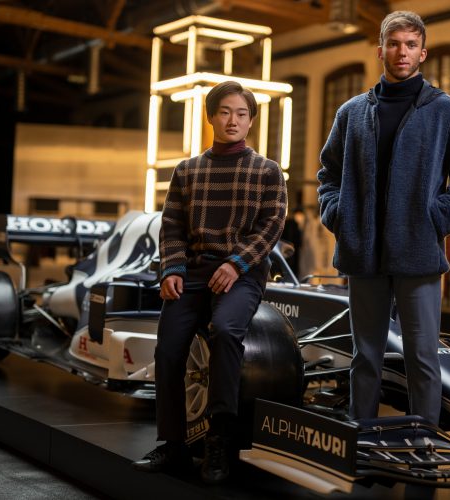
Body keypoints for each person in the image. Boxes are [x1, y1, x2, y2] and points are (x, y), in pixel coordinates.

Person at [317, 11, 450, 425]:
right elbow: (328, 174)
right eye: (394, 43)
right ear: (380, 50)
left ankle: (424, 440)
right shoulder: (351, 113)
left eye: (411, 45)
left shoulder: (446, 111)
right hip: (363, 255)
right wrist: (340, 215)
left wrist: (437, 218)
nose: (402, 52)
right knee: (365, 356)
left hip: (418, 253)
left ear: (422, 53)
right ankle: (361, 434)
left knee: (422, 356)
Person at [132, 81, 287, 483]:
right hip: (193, 272)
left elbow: (272, 226)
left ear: (251, 121)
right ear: (212, 117)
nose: (233, 120)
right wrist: (171, 270)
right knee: (168, 348)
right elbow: (171, 227)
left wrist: (236, 264)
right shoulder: (187, 171)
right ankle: (173, 445)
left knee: (226, 330)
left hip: (242, 274)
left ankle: (219, 440)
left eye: (241, 114)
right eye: (225, 112)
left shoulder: (267, 171)